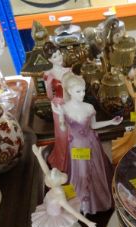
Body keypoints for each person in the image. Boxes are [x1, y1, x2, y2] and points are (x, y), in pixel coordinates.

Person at [51, 73, 122, 215]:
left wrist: (110, 122)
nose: (82, 94)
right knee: (81, 173)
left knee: (96, 172)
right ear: (70, 91)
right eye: (78, 91)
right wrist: (60, 116)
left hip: (91, 143)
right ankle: (83, 203)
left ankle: (98, 201)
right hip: (76, 146)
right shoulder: (64, 108)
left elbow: (94, 126)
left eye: (83, 90)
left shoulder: (89, 107)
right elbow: (64, 129)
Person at [43, 43, 72, 173]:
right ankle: (64, 161)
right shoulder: (48, 74)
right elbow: (49, 94)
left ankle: (76, 158)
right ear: (50, 60)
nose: (59, 57)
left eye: (59, 54)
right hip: (58, 105)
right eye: (55, 56)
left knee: (73, 131)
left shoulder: (69, 70)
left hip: (71, 104)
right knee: (62, 134)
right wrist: (56, 102)